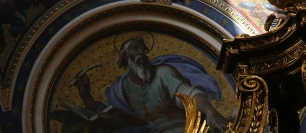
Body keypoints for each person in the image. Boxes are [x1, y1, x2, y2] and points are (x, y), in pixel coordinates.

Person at [73, 36, 229, 133]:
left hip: (178, 128)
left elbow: (189, 93)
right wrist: (86, 95)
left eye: (143, 48)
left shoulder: (163, 72)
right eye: (135, 48)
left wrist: (210, 113)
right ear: (125, 56)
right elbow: (106, 114)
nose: (142, 52)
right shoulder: (120, 88)